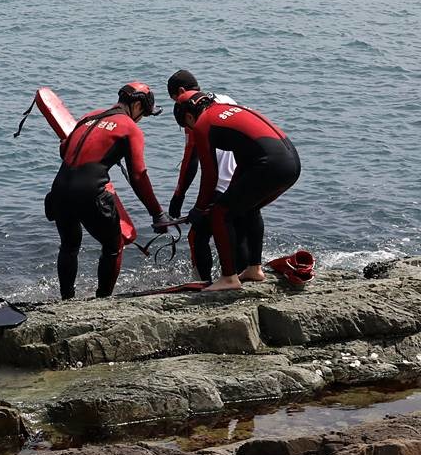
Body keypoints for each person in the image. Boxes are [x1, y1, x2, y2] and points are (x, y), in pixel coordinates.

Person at [46, 83, 172, 300]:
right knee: (113, 245)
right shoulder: (130, 128)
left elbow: (64, 150)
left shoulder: (89, 117)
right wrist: (157, 213)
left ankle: (66, 299)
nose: (141, 119)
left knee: (69, 245)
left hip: (59, 189)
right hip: (89, 193)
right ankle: (103, 300)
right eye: (144, 113)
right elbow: (138, 176)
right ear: (137, 104)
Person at [175, 90, 301, 292]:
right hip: (291, 163)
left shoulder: (202, 124)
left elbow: (209, 176)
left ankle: (229, 278)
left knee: (219, 214)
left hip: (269, 165)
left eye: (186, 126)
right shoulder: (230, 109)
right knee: (247, 208)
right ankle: (254, 269)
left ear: (189, 116)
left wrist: (199, 209)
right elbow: (244, 164)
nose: (190, 130)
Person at [166, 70, 239, 282]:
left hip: (222, 182)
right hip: (244, 175)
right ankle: (245, 273)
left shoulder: (192, 110)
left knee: (197, 235)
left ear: (181, 92)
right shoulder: (225, 100)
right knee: (237, 227)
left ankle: (202, 283)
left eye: (174, 100)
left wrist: (178, 196)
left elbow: (191, 160)